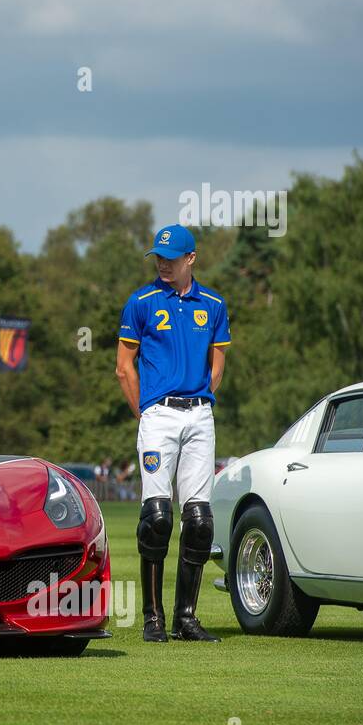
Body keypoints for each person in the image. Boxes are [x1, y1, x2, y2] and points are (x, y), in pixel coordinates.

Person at [116, 224, 230, 643]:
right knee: (157, 517)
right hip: (158, 418)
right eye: (159, 257)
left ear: (191, 259)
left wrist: (198, 401)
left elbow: (217, 367)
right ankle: (152, 619)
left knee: (199, 522)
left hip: (200, 416)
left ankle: (186, 619)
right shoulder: (140, 302)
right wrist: (146, 413)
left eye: (171, 258)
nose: (163, 264)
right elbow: (123, 367)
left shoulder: (214, 304)